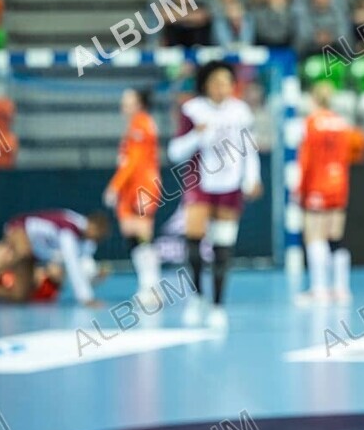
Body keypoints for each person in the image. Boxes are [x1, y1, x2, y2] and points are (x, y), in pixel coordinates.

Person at [168, 61, 264, 329]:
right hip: (200, 184)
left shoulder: (240, 111)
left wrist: (252, 178)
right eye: (217, 82)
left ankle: (218, 305)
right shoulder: (193, 110)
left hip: (230, 185)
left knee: (223, 248)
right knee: (194, 243)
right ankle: (197, 296)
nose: (223, 88)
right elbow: (175, 153)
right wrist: (196, 136)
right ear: (206, 84)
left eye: (227, 83)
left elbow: (250, 149)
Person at [0, 210, 111, 308]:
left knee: (20, 296)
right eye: (97, 233)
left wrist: (95, 276)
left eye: (100, 237)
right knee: (24, 251)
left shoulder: (88, 242)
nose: (96, 238)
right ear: (91, 225)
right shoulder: (69, 232)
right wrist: (86, 299)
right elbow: (73, 266)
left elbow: (82, 266)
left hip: (34, 251)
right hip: (20, 228)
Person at [296, 82, 353, 304]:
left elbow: (306, 159)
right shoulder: (342, 123)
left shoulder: (310, 123)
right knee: (336, 236)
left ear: (313, 99)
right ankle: (341, 289)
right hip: (339, 182)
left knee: (314, 235)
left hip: (317, 183)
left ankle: (318, 289)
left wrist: (301, 188)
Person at [103, 89, 162, 305]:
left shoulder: (141, 124)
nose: (123, 105)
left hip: (142, 187)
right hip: (133, 188)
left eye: (127, 101)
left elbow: (134, 161)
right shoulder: (137, 124)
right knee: (133, 236)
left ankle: (152, 287)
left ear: (139, 104)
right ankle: (148, 286)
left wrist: (114, 186)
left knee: (142, 235)